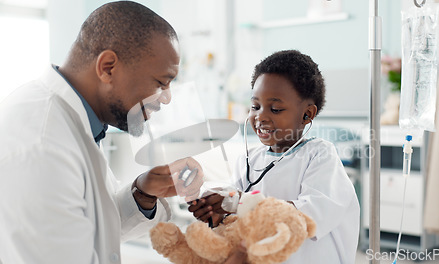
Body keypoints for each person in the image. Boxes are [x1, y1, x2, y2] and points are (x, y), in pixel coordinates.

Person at [0, 2, 242, 263]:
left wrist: (143, 193)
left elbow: (91, 225)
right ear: (108, 68)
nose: (167, 98)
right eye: (161, 83)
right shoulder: (43, 142)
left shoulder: (75, 122)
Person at [189, 50, 360, 263]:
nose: (260, 116)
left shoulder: (319, 154)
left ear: (307, 114)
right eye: (255, 106)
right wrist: (218, 214)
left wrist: (237, 203)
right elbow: (238, 221)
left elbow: (310, 218)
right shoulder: (248, 160)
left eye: (276, 109)